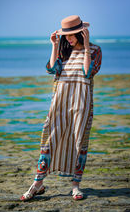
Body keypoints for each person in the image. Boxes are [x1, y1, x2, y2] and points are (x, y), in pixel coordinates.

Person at [20, 15, 102, 201]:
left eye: (72, 34)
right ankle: (37, 184)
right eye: (66, 35)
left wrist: (87, 45)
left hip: (82, 102)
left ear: (82, 33)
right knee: (50, 140)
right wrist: (54, 45)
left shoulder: (95, 50)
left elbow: (88, 72)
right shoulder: (64, 51)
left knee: (79, 142)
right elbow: (51, 68)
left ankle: (75, 186)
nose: (69, 38)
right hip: (59, 101)